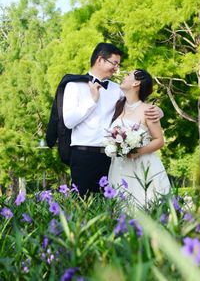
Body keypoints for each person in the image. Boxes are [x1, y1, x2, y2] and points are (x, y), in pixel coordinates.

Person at [63, 43, 163, 197]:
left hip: (110, 159)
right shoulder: (73, 85)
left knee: (109, 208)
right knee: (82, 207)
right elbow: (69, 122)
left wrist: (158, 111)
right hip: (82, 155)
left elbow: (137, 104)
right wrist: (92, 101)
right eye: (114, 63)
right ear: (100, 60)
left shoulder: (117, 89)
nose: (117, 68)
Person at [108, 69, 170, 206]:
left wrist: (137, 151)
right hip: (119, 166)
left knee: (142, 204)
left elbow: (159, 140)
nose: (124, 76)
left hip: (141, 165)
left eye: (128, 75)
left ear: (136, 83)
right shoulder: (118, 107)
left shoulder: (148, 110)